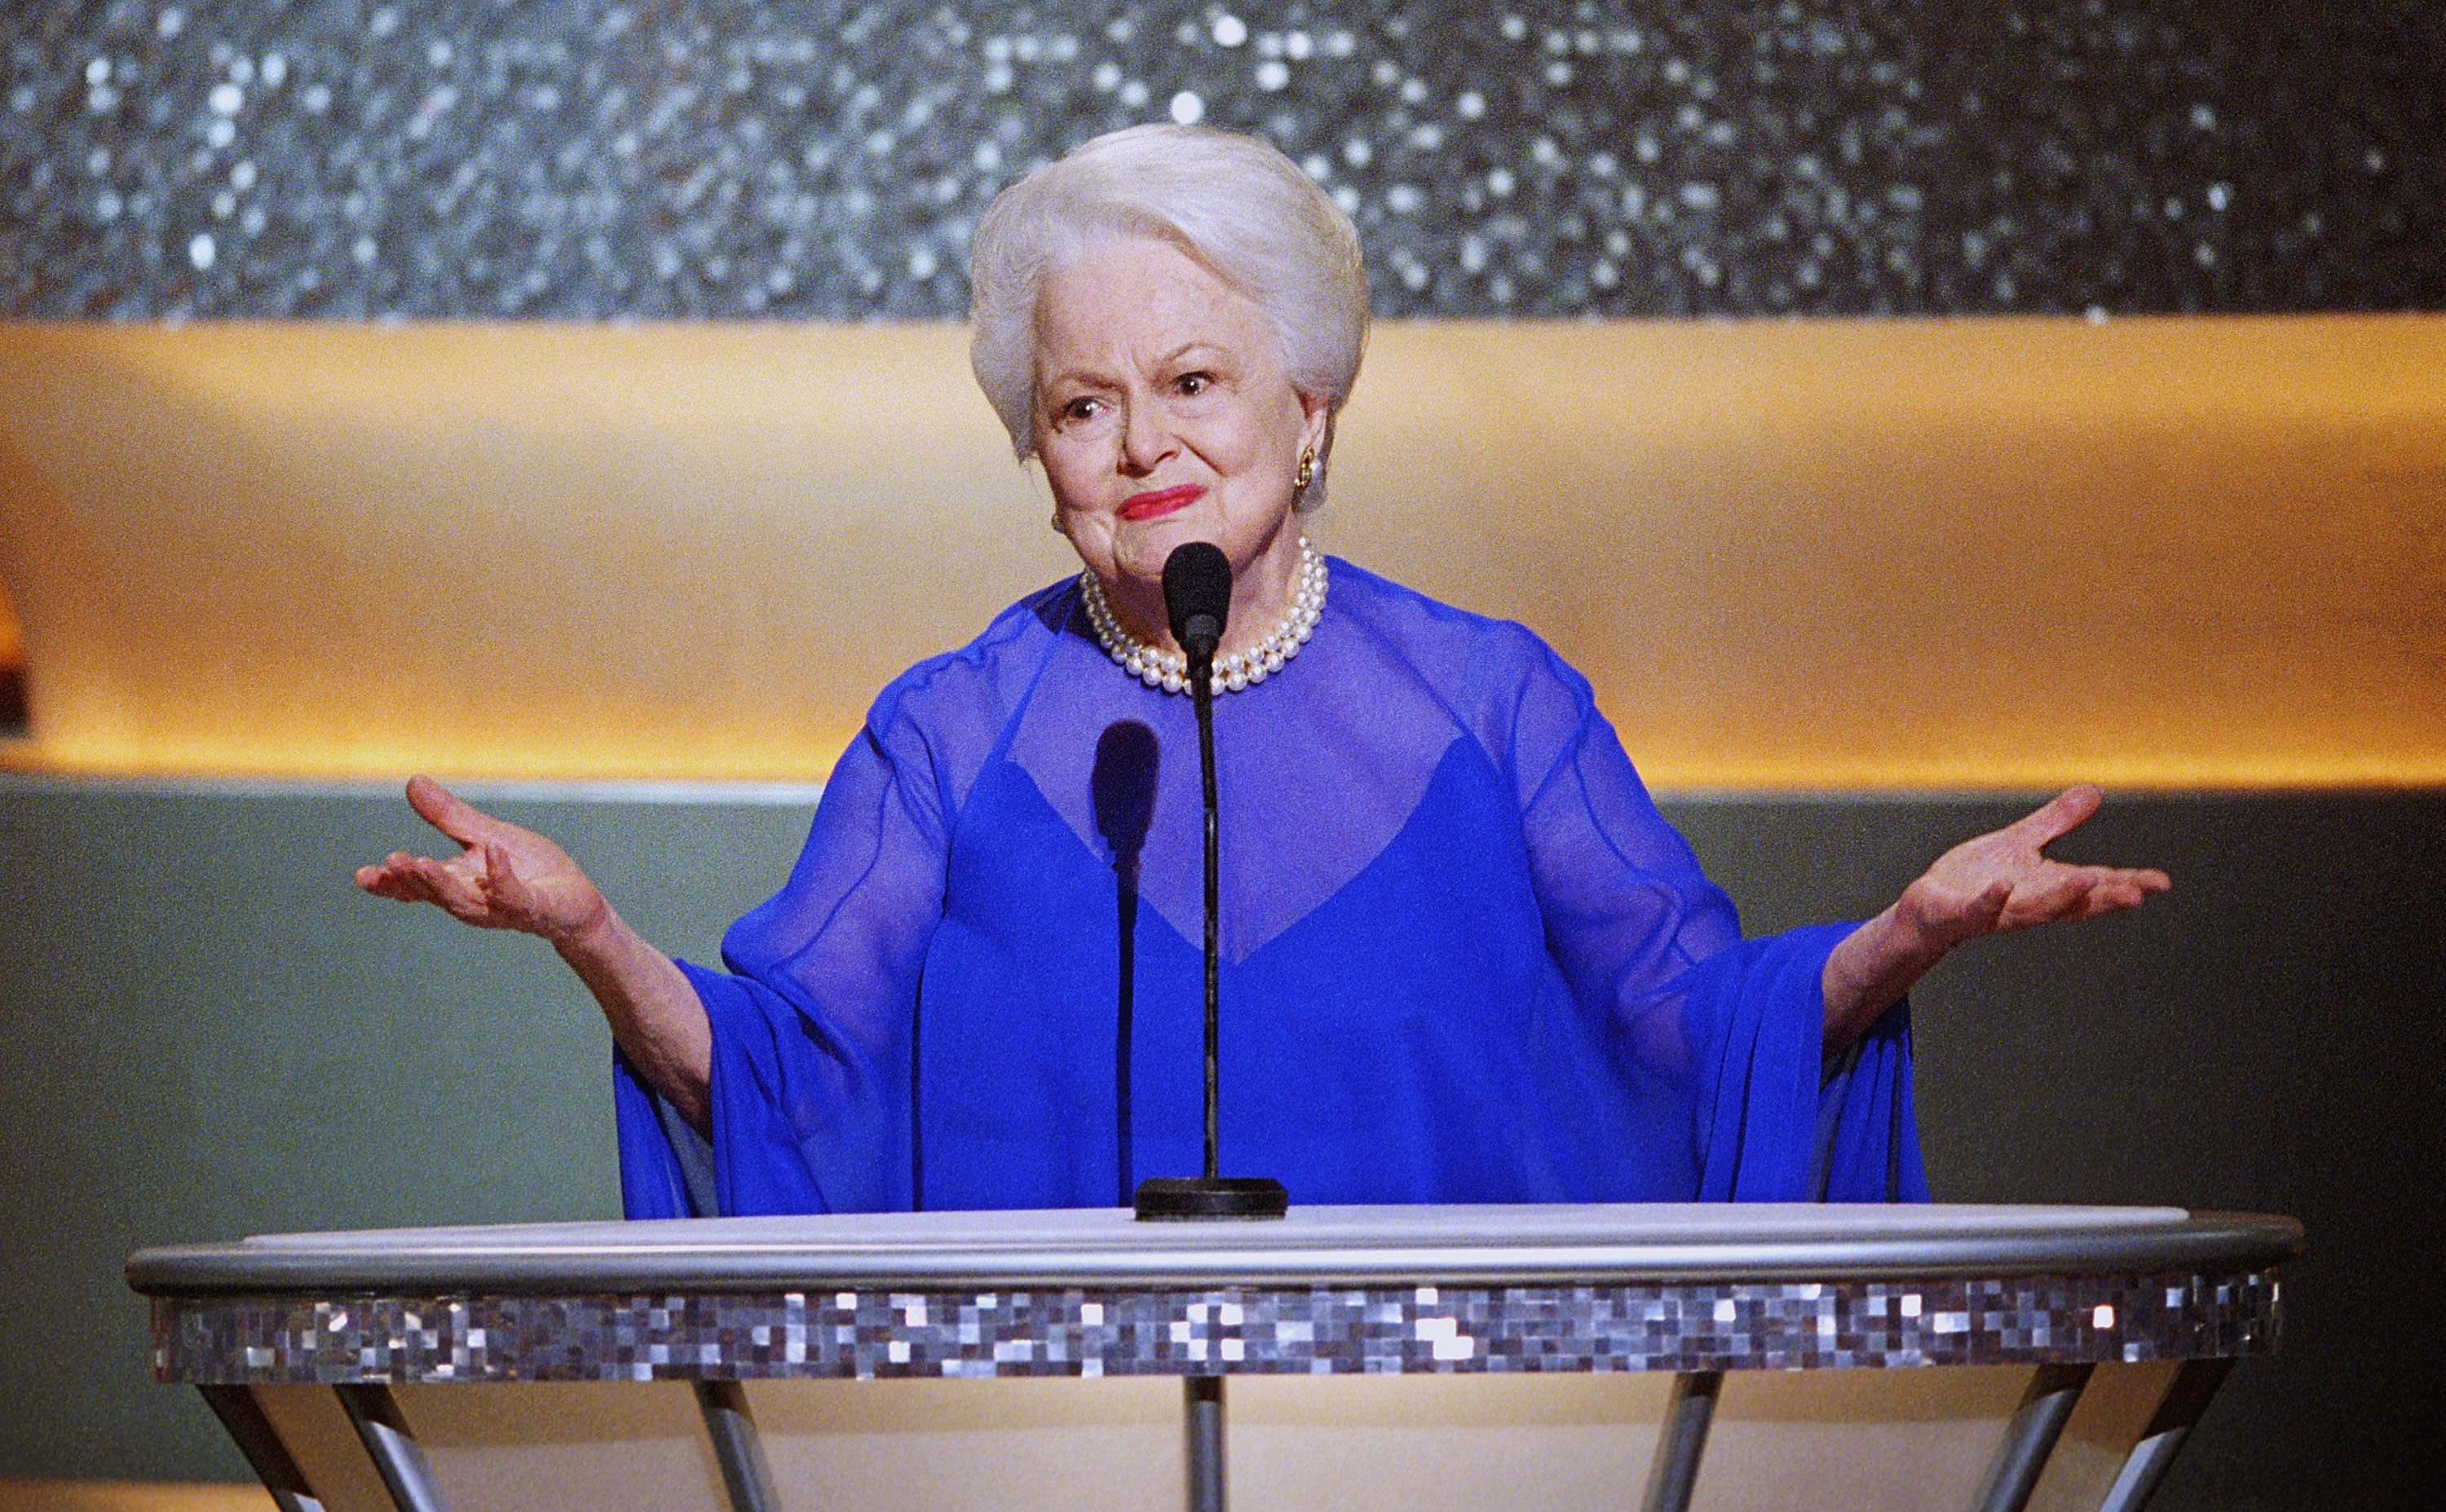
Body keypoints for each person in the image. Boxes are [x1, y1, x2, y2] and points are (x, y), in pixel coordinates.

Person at [357, 125, 2168, 1219]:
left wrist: (1905, 935)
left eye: (1194, 382)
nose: (1138, 443)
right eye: (1080, 405)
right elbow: (782, 1071)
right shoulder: (951, 733)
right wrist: (592, 936)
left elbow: (1698, 1037)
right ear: (1035, 449)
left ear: (1309, 407)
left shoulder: (1494, 706)